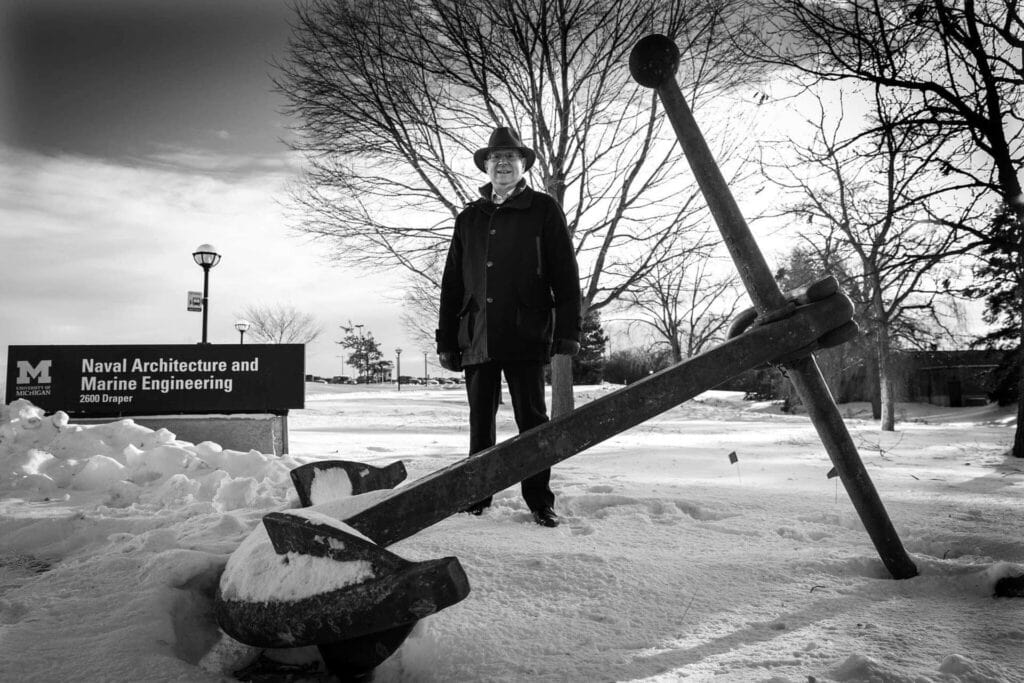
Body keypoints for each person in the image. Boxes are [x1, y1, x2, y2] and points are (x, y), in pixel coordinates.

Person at [436, 126, 582, 528]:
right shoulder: (469, 217)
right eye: (495, 159)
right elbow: (453, 282)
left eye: (510, 158)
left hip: (526, 330)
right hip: (478, 335)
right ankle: (477, 497)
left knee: (532, 421)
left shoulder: (544, 209)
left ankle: (539, 500)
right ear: (486, 167)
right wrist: (447, 338)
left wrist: (568, 329)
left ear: (522, 166)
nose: (502, 164)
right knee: (479, 421)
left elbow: (565, 273)